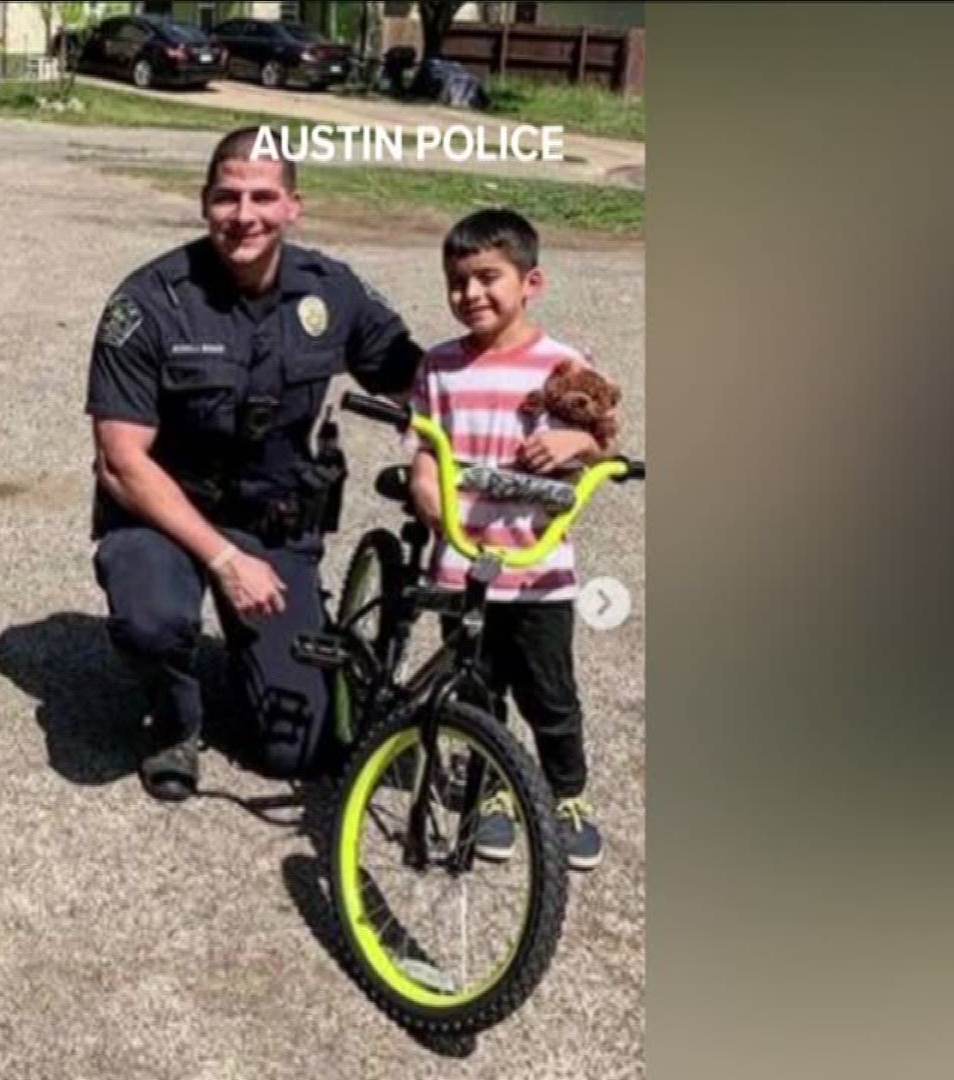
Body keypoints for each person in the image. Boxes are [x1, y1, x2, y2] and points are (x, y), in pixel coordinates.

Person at [86, 127, 425, 801]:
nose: (245, 215)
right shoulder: (150, 301)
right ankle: (174, 720)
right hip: (166, 515)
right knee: (152, 616)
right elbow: (122, 463)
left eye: (264, 197)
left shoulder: (332, 291)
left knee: (296, 750)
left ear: (294, 206)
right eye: (227, 197)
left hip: (272, 519)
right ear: (204, 202)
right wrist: (223, 561)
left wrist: (538, 382)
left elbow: (421, 381)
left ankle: (258, 650)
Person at [406, 208, 616, 871]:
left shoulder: (562, 364)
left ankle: (567, 793)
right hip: (463, 565)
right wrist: (436, 508)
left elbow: (606, 439)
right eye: (457, 281)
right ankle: (489, 787)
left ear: (532, 282)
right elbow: (421, 451)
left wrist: (574, 440)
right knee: (477, 686)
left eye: (488, 277)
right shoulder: (439, 368)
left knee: (550, 692)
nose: (471, 294)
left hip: (540, 567)